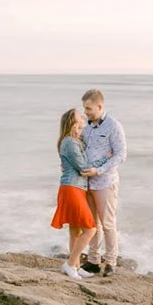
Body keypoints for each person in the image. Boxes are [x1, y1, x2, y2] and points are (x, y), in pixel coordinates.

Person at [50, 108, 110, 280]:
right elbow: (84, 168)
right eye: (80, 115)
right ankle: (69, 264)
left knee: (76, 230)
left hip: (75, 188)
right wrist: (106, 157)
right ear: (72, 122)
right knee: (90, 229)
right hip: (72, 188)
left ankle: (75, 265)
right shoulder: (69, 142)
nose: (84, 116)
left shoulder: (75, 140)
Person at [79, 89, 127, 277]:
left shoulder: (114, 126)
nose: (86, 112)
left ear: (100, 106)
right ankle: (93, 260)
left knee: (107, 223)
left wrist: (98, 170)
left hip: (105, 182)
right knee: (92, 224)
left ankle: (111, 262)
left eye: (89, 108)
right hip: (86, 182)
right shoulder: (86, 126)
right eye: (84, 108)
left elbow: (121, 155)